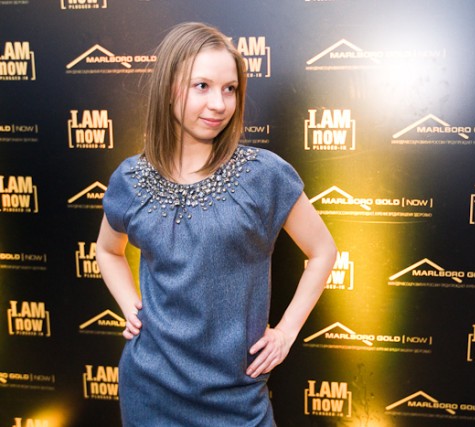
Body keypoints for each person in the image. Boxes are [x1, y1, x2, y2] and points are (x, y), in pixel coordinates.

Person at [96, 22, 337, 426]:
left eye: (230, 89)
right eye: (202, 86)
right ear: (168, 88)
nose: (219, 104)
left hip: (236, 398)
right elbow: (107, 250)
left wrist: (286, 332)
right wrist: (129, 306)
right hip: (149, 391)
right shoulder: (131, 179)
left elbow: (323, 251)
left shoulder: (263, 175)